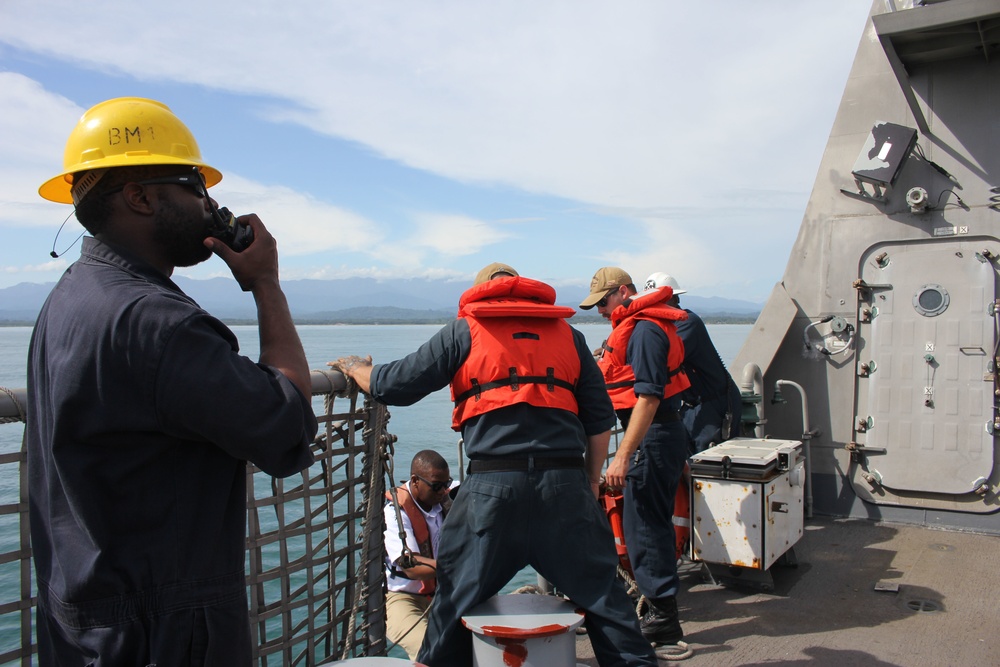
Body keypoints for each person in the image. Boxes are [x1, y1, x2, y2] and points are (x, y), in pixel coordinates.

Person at [27, 97, 318, 665]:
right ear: (139, 195)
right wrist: (266, 284)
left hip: (81, 630)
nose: (211, 207)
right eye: (194, 186)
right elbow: (287, 431)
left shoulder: (68, 299)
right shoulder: (160, 324)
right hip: (165, 637)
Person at [332, 262, 658, 667]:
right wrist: (590, 481)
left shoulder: (465, 331)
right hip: (564, 486)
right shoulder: (569, 337)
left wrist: (355, 368)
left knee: (453, 602)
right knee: (604, 599)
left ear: (482, 293)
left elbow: (395, 384)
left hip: (491, 488)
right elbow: (598, 417)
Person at [580, 266, 691, 647]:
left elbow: (649, 396)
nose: (599, 311)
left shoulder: (643, 330)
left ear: (624, 291)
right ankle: (659, 610)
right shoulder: (642, 326)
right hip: (658, 434)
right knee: (646, 523)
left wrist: (623, 455)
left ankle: (661, 616)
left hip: (652, 435)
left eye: (604, 301)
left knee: (645, 527)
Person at [643, 272, 743, 453]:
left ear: (673, 299)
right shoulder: (665, 327)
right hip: (691, 403)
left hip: (714, 402)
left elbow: (661, 357)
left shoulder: (687, 323)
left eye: (657, 300)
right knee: (685, 455)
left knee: (708, 459)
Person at [384, 450, 452, 660]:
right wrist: (452, 566)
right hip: (403, 599)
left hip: (440, 594)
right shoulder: (396, 513)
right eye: (436, 486)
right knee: (429, 652)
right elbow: (410, 566)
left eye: (446, 483)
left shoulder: (444, 502)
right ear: (415, 481)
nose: (442, 491)